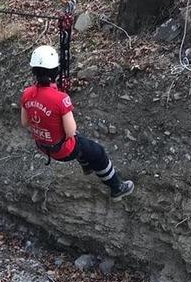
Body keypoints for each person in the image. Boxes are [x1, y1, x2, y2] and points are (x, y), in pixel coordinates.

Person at [20, 45, 134, 201]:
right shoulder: (60, 99)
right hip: (63, 150)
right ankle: (117, 188)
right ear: (55, 70)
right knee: (98, 152)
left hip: (43, 146)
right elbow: (71, 131)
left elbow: (25, 122)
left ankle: (86, 164)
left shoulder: (27, 94)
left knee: (83, 145)